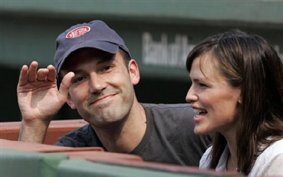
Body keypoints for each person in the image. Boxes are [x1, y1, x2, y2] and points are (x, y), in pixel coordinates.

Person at [17, 20, 211, 166]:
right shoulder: (72, 152)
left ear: (132, 71)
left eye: (106, 68)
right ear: (68, 96)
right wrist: (35, 122)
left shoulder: (197, 127)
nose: (96, 85)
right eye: (79, 78)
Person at [185, 30, 283, 177]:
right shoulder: (209, 158)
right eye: (192, 83)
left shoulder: (277, 160)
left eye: (203, 85)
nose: (189, 96)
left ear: (244, 91)